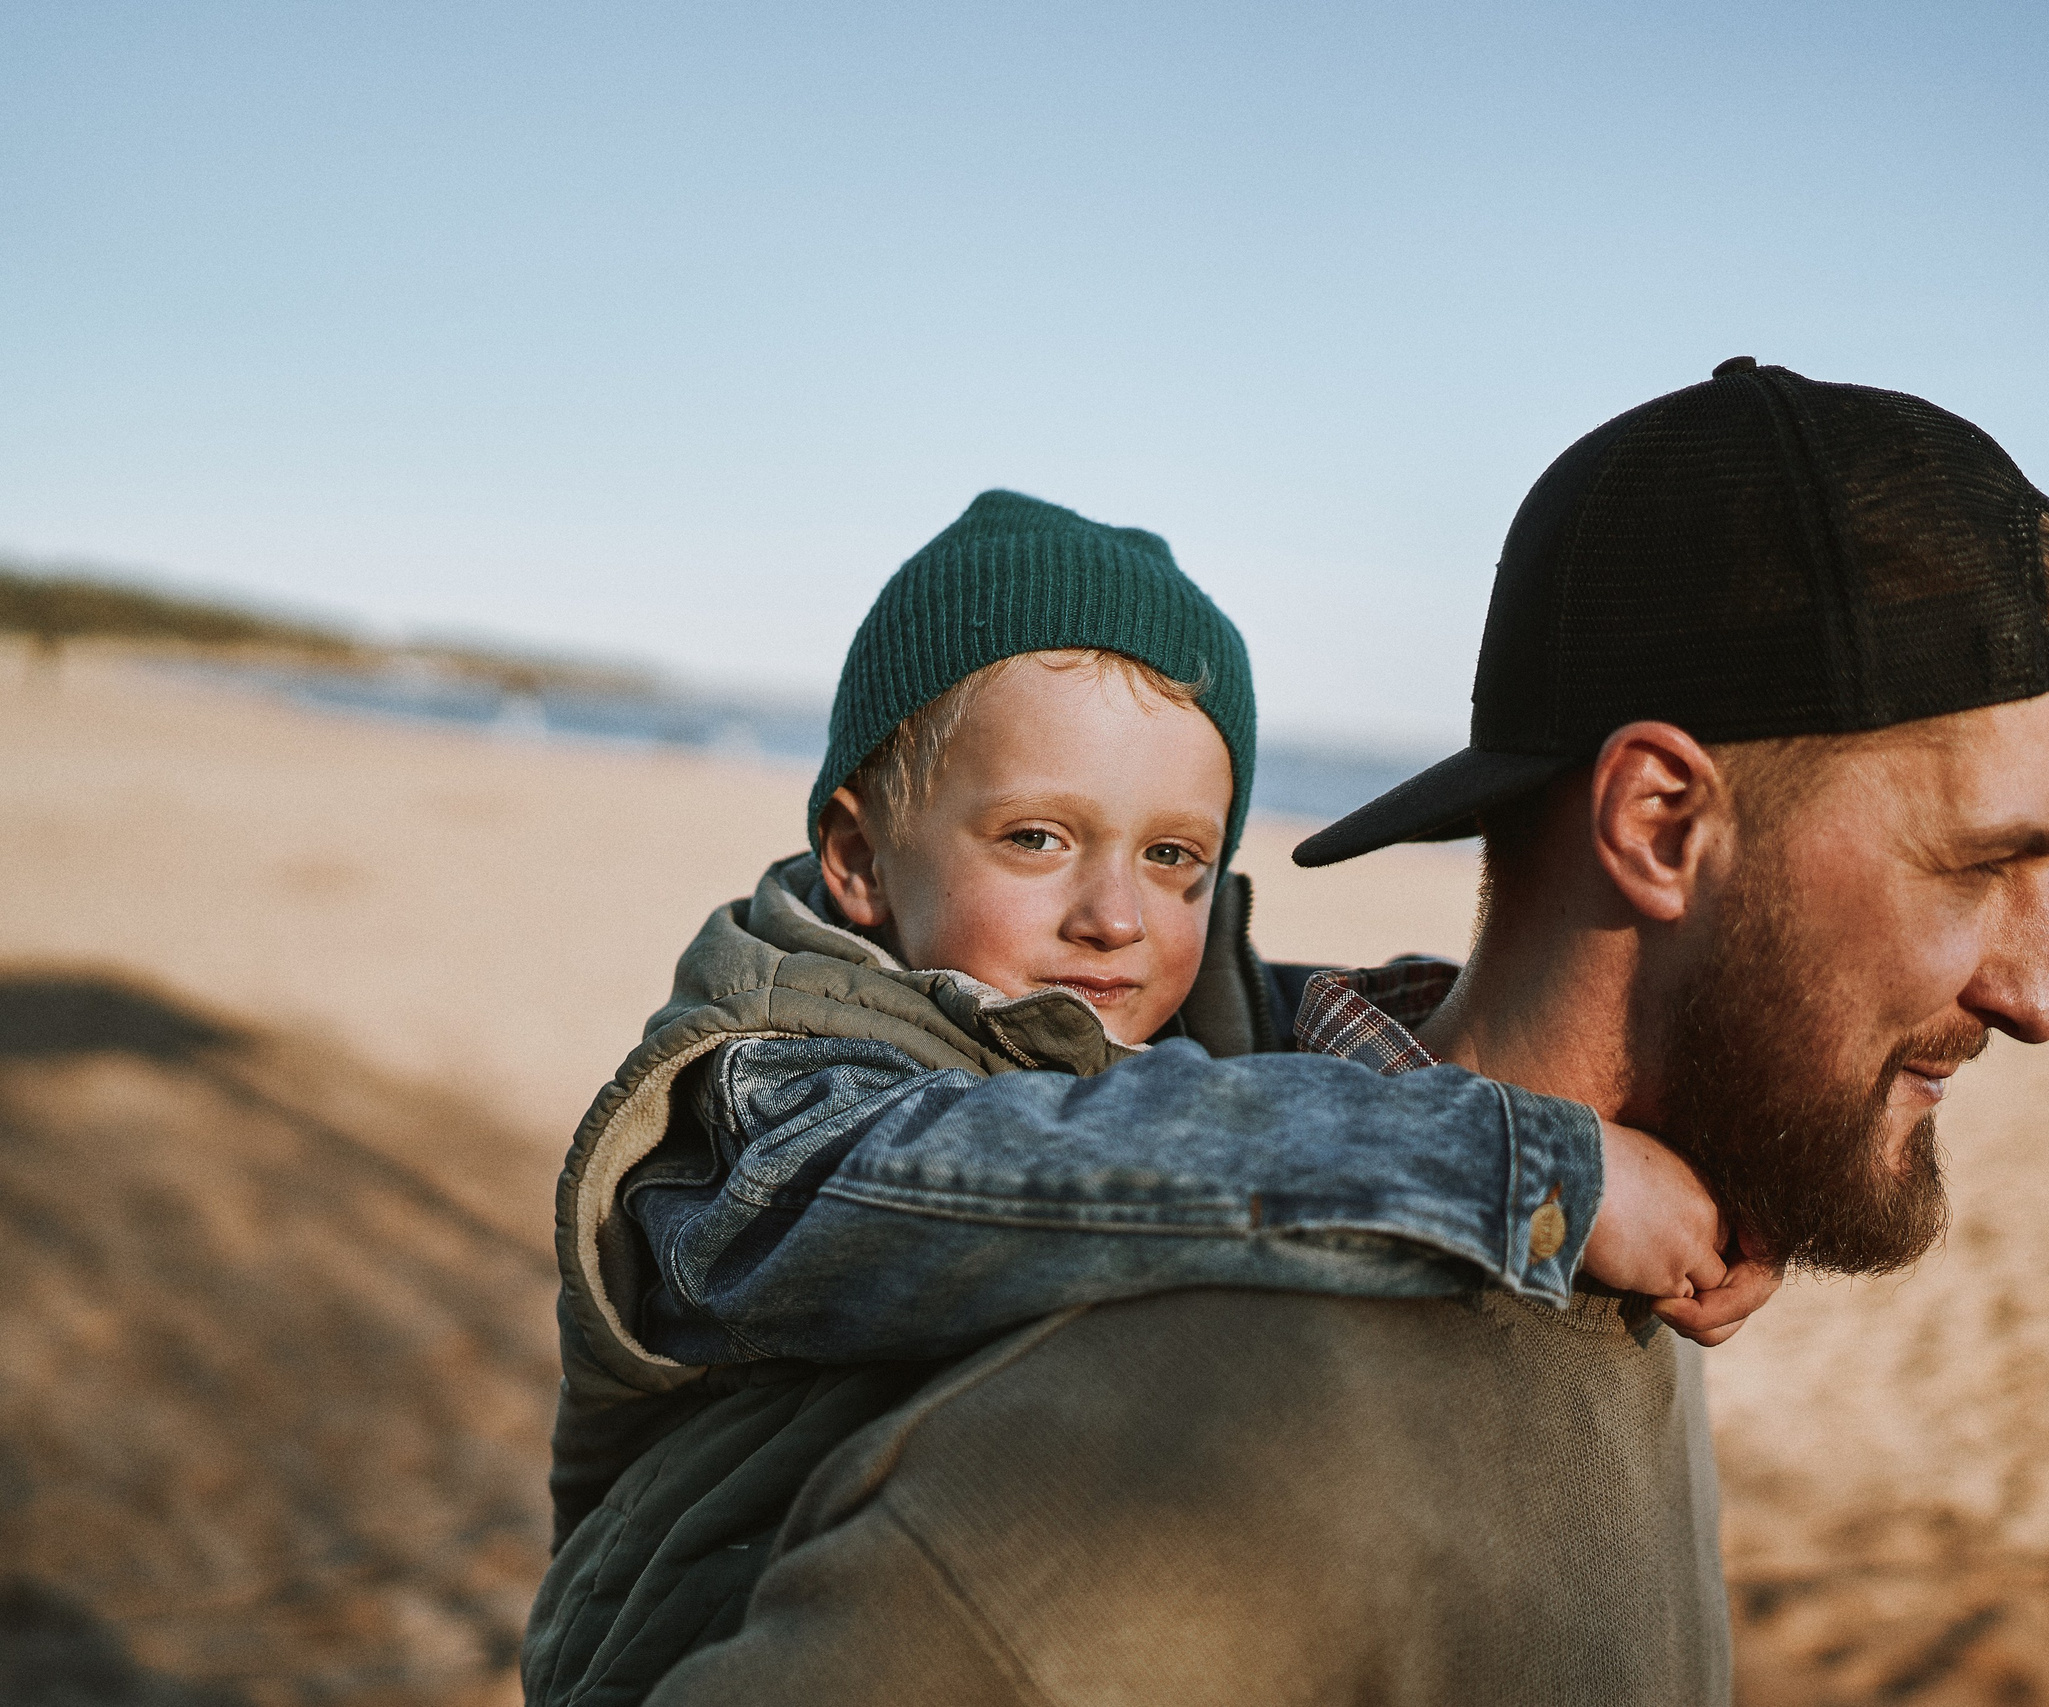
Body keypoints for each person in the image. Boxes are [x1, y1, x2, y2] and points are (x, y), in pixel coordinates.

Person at [632, 358, 2049, 1705]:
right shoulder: (1175, 1454)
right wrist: (1530, 1165)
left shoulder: (1631, 1244)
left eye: (1175, 858)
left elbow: (1250, 1067)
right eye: (1982, 860)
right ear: (1658, 821)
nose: (2041, 990)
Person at [523, 490, 1759, 1698]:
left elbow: (1340, 1042)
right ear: (857, 859)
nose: (1115, 916)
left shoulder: (1156, 1010)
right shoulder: (767, 1099)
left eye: (1174, 858)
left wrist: (1661, 1144)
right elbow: (1023, 1168)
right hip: (704, 1649)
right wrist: (1526, 1172)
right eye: (1037, 839)